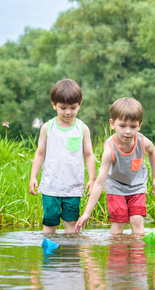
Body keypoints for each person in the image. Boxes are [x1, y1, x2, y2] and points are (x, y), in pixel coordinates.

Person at [75, 97, 155, 234]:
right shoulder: (110, 150)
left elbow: (152, 152)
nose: (128, 131)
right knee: (119, 221)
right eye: (122, 126)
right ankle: (117, 253)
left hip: (137, 185)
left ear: (139, 125)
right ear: (112, 124)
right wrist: (87, 212)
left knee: (136, 220)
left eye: (133, 127)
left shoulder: (143, 142)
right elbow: (99, 183)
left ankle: (137, 253)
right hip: (115, 186)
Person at [29, 79, 96, 233]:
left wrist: (92, 179)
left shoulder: (82, 128)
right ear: (54, 104)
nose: (68, 112)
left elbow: (89, 155)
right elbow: (40, 153)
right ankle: (50, 255)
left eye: (73, 108)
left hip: (73, 188)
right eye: (63, 107)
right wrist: (33, 177)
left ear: (79, 104)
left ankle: (70, 256)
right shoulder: (48, 127)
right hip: (50, 187)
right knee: (49, 224)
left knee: (71, 225)